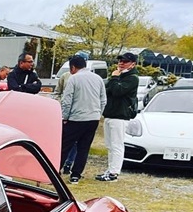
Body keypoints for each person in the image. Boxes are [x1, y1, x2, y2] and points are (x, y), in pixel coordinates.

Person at [58, 56, 107, 184]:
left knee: (64, 146)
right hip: (93, 119)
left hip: (76, 118)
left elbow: (67, 100)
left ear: (73, 67)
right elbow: (103, 100)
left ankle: (55, 170)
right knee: (84, 148)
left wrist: (65, 117)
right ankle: (76, 175)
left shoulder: (74, 78)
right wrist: (97, 114)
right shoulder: (98, 79)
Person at [97, 52, 139, 181]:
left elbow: (117, 91)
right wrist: (114, 79)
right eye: (120, 61)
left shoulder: (132, 78)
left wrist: (114, 78)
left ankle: (114, 173)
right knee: (110, 145)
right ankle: (110, 169)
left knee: (117, 145)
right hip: (110, 114)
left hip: (120, 116)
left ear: (132, 64)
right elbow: (106, 90)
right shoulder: (119, 76)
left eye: (125, 61)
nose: (121, 63)